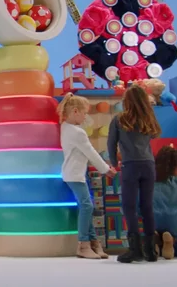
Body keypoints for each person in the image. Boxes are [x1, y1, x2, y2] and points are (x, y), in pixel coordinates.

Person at [58, 93, 117, 259]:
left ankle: (93, 242)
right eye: (84, 113)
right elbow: (91, 152)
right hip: (75, 174)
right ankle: (83, 244)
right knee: (87, 206)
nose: (86, 117)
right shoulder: (77, 132)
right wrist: (106, 169)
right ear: (75, 111)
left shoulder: (66, 127)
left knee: (86, 206)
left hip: (73, 173)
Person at [107, 85, 161, 263]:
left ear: (126, 101)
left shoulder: (119, 119)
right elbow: (153, 137)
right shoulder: (149, 119)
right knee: (147, 207)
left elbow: (111, 143)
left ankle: (134, 249)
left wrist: (114, 163)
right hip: (149, 165)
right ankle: (151, 250)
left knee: (129, 206)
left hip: (130, 165)